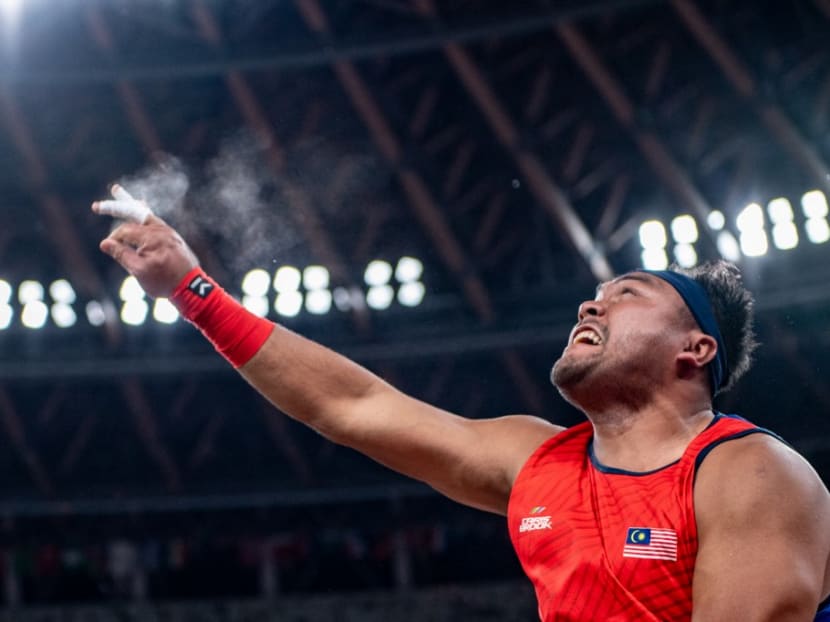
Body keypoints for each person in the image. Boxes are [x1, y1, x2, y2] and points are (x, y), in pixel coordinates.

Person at [93, 188, 830, 621]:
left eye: (626, 295)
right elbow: (353, 406)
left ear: (694, 350)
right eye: (595, 294)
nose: (590, 303)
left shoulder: (750, 472)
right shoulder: (537, 460)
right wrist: (194, 292)